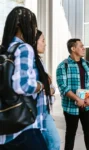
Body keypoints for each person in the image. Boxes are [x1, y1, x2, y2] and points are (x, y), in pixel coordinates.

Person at [0, 7, 50, 150]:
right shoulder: (24, 48)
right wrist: (41, 85)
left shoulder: (4, 49)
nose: (34, 30)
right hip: (24, 127)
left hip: (5, 127)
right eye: (33, 25)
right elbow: (22, 86)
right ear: (21, 26)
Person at [56, 38, 89, 150]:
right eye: (81, 46)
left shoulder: (88, 65)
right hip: (71, 108)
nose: (83, 48)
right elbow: (63, 87)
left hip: (88, 107)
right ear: (73, 48)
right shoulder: (63, 66)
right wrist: (77, 99)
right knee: (70, 136)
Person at [35, 30, 60, 150]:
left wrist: (50, 88)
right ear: (34, 42)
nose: (45, 44)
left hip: (44, 111)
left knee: (54, 143)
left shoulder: (40, 62)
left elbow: (51, 86)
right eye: (43, 40)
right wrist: (44, 85)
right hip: (34, 114)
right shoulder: (30, 62)